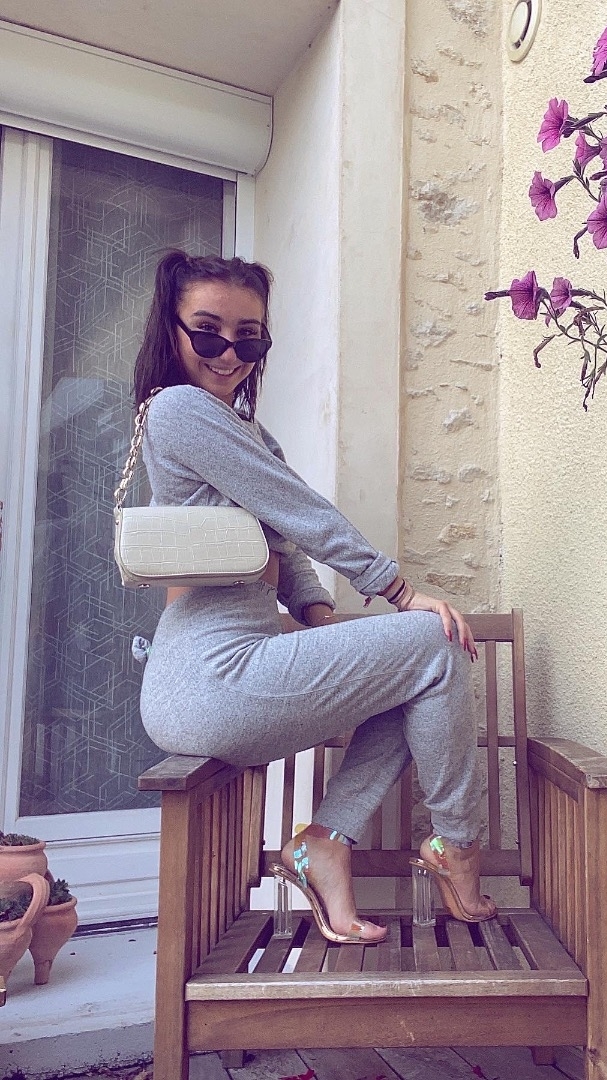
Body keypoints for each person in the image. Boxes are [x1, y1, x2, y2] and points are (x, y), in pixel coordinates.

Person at [132, 250, 495, 943]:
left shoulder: (245, 430)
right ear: (171, 330)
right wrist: (396, 589)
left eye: (249, 338)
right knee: (436, 640)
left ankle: (325, 844)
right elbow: (298, 510)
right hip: (212, 677)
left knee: (416, 670)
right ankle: (456, 843)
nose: (228, 353)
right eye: (207, 332)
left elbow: (285, 542)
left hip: (218, 676)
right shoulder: (178, 408)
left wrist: (321, 619)